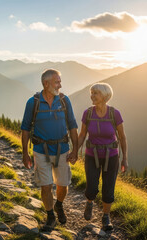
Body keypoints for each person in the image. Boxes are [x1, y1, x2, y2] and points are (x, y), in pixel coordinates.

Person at [21, 69, 78, 232]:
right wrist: (25, 153)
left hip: (62, 150)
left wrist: (75, 150)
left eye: (60, 81)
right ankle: (50, 216)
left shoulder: (64, 100)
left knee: (63, 184)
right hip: (40, 150)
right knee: (45, 186)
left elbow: (73, 125)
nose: (60, 85)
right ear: (46, 84)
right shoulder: (33, 103)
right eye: (57, 82)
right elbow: (25, 129)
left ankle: (59, 205)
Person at [77, 82, 128, 231]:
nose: (92, 96)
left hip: (111, 156)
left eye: (95, 93)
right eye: (91, 93)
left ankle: (106, 217)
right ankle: (90, 202)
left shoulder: (114, 113)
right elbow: (82, 135)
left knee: (108, 188)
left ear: (105, 96)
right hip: (91, 155)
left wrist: (124, 158)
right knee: (91, 187)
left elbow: (122, 137)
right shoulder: (88, 113)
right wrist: (74, 152)